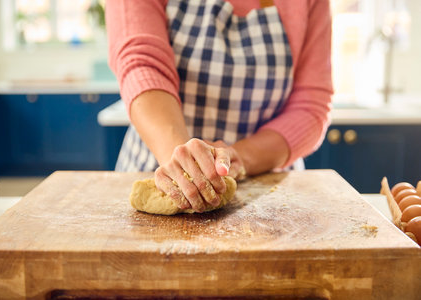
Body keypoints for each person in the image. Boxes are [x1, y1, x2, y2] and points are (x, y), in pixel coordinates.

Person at [106, 0, 332, 212]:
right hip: (156, 164)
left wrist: (238, 158)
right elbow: (142, 65)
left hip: (265, 181)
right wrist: (184, 169)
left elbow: (310, 104)